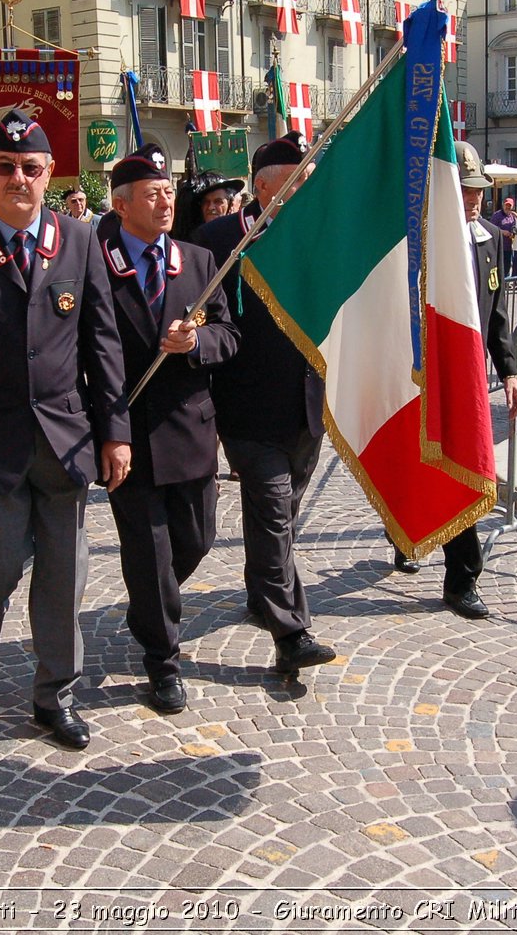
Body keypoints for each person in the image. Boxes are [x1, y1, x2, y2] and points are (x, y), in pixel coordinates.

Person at [0, 109, 131, 750]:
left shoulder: (79, 239)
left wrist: (115, 429)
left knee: (66, 571)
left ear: (48, 174)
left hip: (66, 437)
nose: (19, 179)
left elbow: (103, 342)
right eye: (5, 167)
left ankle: (53, 693)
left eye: (31, 168)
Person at [97, 144, 239, 712]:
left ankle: (147, 605)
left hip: (191, 431)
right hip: (130, 432)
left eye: (168, 191)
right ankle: (163, 660)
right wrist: (107, 428)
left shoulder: (196, 260)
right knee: (150, 553)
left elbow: (228, 335)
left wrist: (197, 343)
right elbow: (89, 350)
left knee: (197, 539)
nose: (165, 202)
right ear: (122, 203)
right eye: (152, 193)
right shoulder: (97, 264)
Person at [197, 132, 338, 673]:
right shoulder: (218, 238)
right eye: (296, 178)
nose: (306, 186)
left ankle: (262, 593)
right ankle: (291, 634)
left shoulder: (320, 233)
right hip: (247, 406)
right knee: (275, 511)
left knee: (279, 514)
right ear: (262, 186)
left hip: (307, 406)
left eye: (308, 177)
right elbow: (203, 317)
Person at [392, 141, 517, 619]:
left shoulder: (490, 238)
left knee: (463, 467)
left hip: (465, 378)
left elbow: (496, 315)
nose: (473, 199)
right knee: (414, 465)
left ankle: (462, 578)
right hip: (417, 376)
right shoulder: (418, 239)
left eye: (477, 190)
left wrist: (508, 371)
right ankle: (406, 530)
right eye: (464, 190)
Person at [173, 171, 244, 244]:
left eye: (218, 201)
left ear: (229, 204)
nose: (211, 207)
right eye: (206, 202)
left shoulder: (238, 236)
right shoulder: (194, 241)